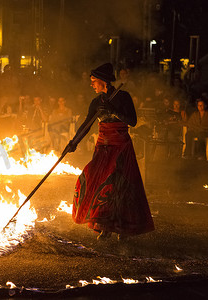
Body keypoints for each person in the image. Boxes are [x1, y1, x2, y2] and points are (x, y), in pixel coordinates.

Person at [66, 63, 154, 241]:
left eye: (93, 81)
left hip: (120, 146)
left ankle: (122, 228)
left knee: (118, 187)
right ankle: (104, 225)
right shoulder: (97, 102)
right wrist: (73, 142)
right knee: (95, 181)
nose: (91, 85)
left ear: (103, 82)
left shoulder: (123, 97)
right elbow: (87, 124)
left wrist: (115, 111)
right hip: (102, 147)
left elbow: (133, 121)